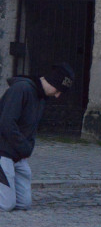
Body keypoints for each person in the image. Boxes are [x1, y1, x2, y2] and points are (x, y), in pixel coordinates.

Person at [0, 64, 73, 212]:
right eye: (58, 90)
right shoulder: (21, 90)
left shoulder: (41, 98)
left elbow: (31, 128)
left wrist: (27, 148)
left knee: (24, 203)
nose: (58, 95)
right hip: (4, 152)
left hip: (18, 155)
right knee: (7, 204)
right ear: (52, 82)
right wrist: (24, 146)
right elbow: (6, 123)